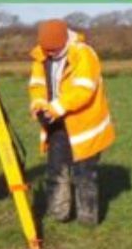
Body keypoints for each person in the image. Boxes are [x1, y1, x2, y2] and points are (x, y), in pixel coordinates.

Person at [27, 20, 116, 226]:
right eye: (46, 49)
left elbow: (84, 89)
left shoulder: (84, 54)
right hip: (56, 124)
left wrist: (58, 107)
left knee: (84, 175)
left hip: (85, 126)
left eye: (54, 49)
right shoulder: (40, 55)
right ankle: (59, 214)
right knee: (55, 170)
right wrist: (39, 103)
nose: (49, 54)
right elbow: (37, 84)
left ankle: (88, 219)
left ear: (65, 40)